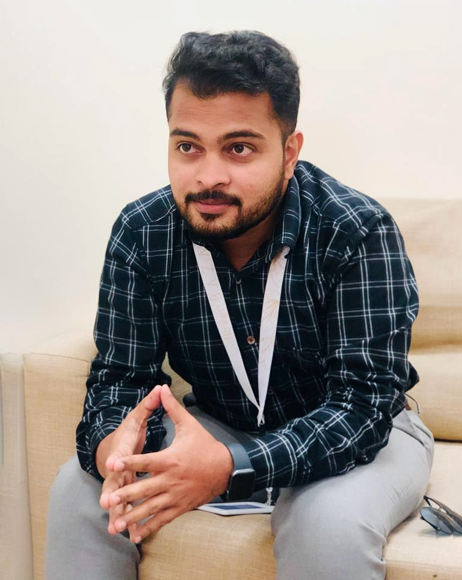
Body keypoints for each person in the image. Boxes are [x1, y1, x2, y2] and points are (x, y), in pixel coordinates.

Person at [46, 30, 434, 580]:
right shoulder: (142, 232)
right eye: (188, 146)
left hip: (363, 434)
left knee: (326, 521)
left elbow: (362, 406)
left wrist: (231, 466)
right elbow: (120, 379)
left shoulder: (354, 230)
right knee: (79, 488)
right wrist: (116, 447)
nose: (209, 176)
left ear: (289, 152)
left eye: (239, 148)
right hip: (221, 424)